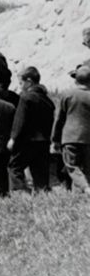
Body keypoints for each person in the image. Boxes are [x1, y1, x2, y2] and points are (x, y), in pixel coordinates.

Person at [7, 66, 55, 193]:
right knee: (40, 173)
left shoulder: (26, 98)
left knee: (14, 167)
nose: (20, 86)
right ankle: (42, 195)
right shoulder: (48, 101)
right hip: (44, 141)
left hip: (27, 141)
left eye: (21, 83)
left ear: (29, 81)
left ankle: (21, 193)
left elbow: (20, 120)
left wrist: (13, 138)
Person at [52, 66, 90, 194]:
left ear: (76, 80)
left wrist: (55, 139)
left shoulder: (67, 94)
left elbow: (59, 118)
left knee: (72, 167)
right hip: (88, 139)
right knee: (86, 169)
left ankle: (86, 188)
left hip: (70, 137)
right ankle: (79, 196)